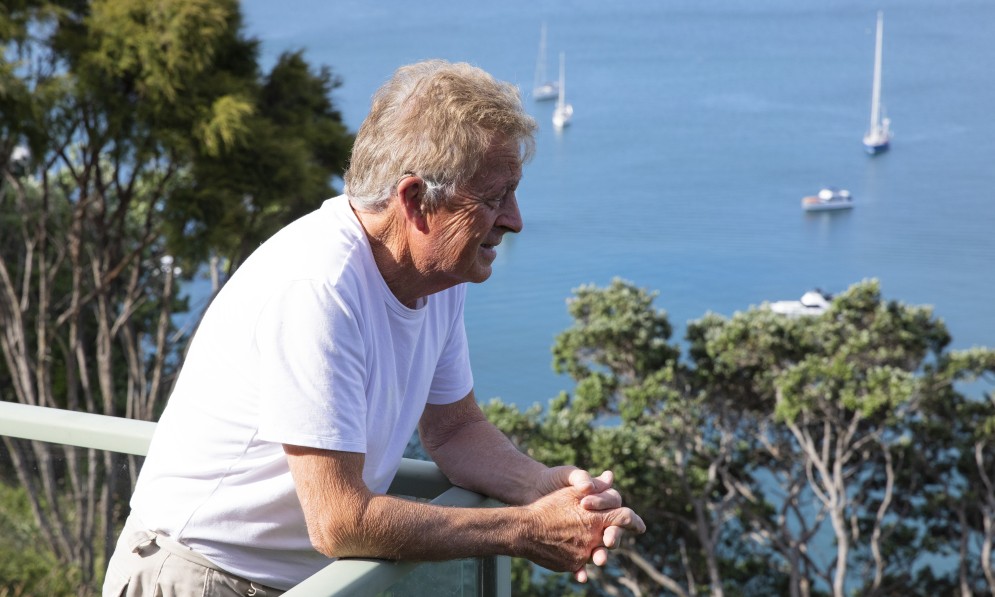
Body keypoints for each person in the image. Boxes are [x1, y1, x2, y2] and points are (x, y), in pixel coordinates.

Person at [103, 59, 645, 596]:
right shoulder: (320, 286)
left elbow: (455, 432)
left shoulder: (438, 276)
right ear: (415, 202)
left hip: (302, 581)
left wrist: (542, 487)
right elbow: (340, 521)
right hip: (195, 575)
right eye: (492, 198)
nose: (514, 219)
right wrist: (525, 530)